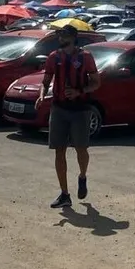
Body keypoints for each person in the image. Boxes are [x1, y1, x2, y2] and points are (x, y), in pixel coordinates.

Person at [36, 25, 101, 209]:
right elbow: (46, 80)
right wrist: (42, 95)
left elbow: (96, 83)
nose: (59, 38)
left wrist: (79, 91)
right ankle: (65, 194)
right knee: (59, 150)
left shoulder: (85, 57)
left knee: (81, 148)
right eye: (58, 34)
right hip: (59, 108)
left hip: (80, 109)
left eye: (62, 34)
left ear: (72, 37)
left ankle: (82, 176)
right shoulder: (53, 57)